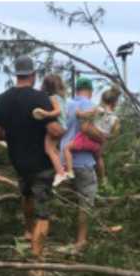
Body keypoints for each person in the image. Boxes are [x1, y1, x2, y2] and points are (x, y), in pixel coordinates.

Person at [0, 56, 64, 257]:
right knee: (43, 214)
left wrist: (14, 132)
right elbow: (55, 131)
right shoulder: (40, 98)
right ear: (33, 75)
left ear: (17, 74)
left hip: (18, 161)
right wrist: (63, 131)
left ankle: (28, 232)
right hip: (42, 164)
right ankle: (37, 261)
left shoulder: (2, 99)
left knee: (26, 195)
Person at [57, 78, 110, 254]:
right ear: (90, 90)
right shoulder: (91, 106)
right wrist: (103, 138)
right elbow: (92, 132)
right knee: (85, 203)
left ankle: (62, 237)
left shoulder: (65, 105)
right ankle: (81, 241)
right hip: (83, 161)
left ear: (77, 89)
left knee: (66, 201)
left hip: (64, 161)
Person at [62, 87, 121, 183]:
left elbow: (84, 115)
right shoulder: (115, 119)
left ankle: (70, 171)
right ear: (115, 103)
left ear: (102, 99)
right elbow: (114, 135)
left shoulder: (97, 110)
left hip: (86, 140)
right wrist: (105, 136)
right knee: (99, 158)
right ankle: (103, 178)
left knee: (66, 148)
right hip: (97, 145)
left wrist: (78, 113)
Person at [31, 74, 69, 187]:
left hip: (58, 125)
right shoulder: (62, 98)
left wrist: (45, 113)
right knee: (54, 150)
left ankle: (60, 173)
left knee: (49, 150)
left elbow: (57, 112)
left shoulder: (52, 98)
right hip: (64, 127)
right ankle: (61, 167)